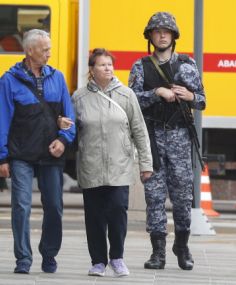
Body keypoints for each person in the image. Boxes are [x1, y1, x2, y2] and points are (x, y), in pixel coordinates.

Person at [129, 12, 206, 271]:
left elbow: (203, 100)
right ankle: (158, 252)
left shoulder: (187, 65)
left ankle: (182, 246)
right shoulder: (141, 66)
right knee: (154, 197)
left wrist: (189, 95)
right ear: (150, 36)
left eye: (166, 31)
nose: (162, 35)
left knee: (183, 198)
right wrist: (156, 92)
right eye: (157, 31)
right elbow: (132, 100)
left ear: (173, 36)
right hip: (152, 138)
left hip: (180, 139)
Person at [72, 48, 153, 277]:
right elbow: (72, 132)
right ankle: (98, 261)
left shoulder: (127, 95)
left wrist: (146, 164)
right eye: (102, 64)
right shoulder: (79, 97)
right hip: (91, 164)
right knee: (94, 215)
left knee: (118, 211)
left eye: (110, 64)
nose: (108, 68)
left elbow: (139, 130)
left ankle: (117, 257)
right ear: (92, 69)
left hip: (120, 165)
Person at [0, 29, 75, 274]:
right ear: (29, 51)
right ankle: (23, 258)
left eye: (49, 49)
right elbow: (2, 120)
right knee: (21, 205)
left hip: (51, 154)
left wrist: (63, 140)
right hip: (21, 154)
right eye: (45, 50)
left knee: (54, 206)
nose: (49, 54)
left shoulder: (58, 77)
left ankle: (49, 253)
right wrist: (2, 157)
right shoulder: (8, 80)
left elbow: (69, 117)